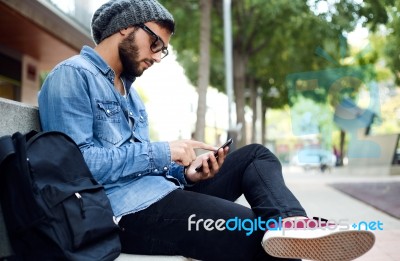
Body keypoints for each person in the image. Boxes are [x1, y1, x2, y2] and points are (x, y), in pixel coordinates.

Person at [38, 0, 375, 260]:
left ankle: (292, 223)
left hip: (162, 195)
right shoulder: (72, 76)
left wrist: (186, 173)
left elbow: (134, 161)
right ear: (125, 28)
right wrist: (164, 151)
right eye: (156, 43)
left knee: (256, 157)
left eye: (163, 50)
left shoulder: (130, 92)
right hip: (124, 215)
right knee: (258, 235)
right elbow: (76, 169)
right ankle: (283, 231)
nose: (158, 57)